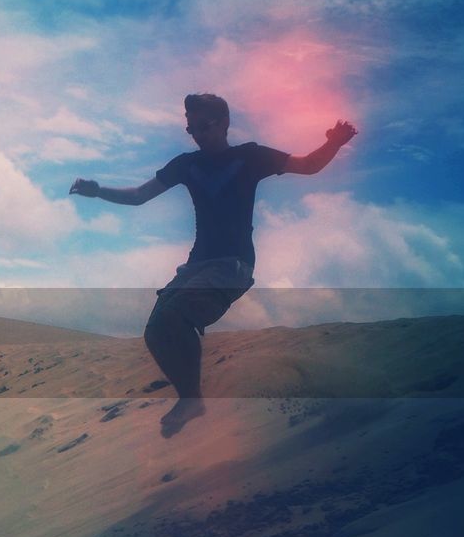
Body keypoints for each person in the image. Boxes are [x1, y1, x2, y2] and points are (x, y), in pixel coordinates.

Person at [70, 93, 357, 437]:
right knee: (155, 331)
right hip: (197, 266)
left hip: (233, 265)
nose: (198, 135)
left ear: (224, 123)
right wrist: (97, 190)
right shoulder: (186, 164)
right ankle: (191, 399)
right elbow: (138, 196)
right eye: (191, 129)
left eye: (204, 126)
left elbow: (308, 165)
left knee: (176, 318)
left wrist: (335, 142)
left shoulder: (250, 157)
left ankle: (192, 401)